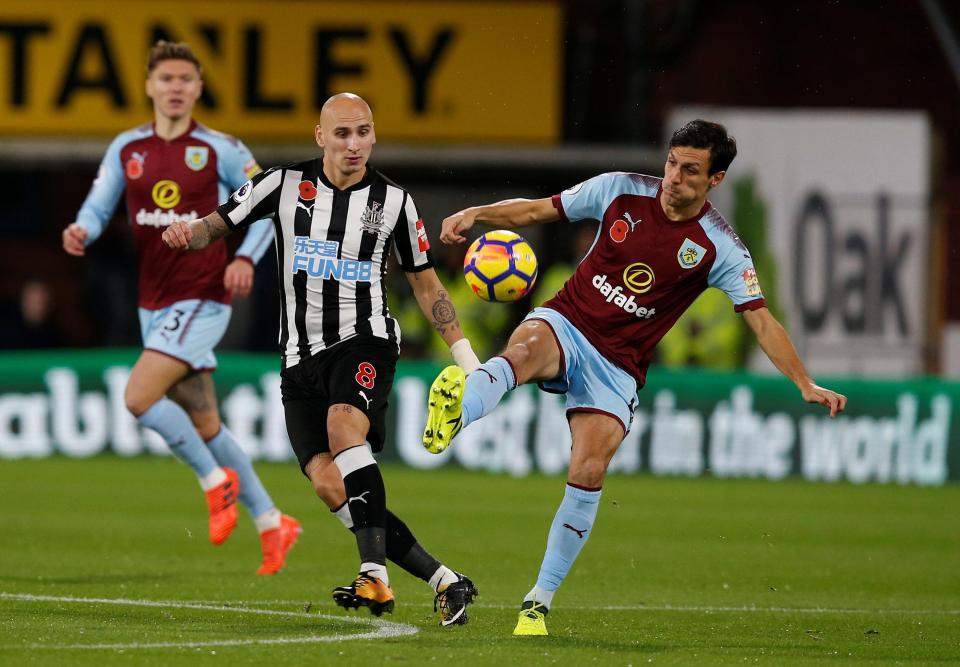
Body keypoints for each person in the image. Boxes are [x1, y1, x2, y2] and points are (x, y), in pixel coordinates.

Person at [422, 119, 848, 636]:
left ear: (715, 180)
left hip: (618, 365)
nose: (674, 177)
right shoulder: (619, 189)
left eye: (690, 170)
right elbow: (538, 209)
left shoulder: (720, 248)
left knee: (589, 469)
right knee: (525, 351)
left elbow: (762, 319)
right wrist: (476, 213)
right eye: (672, 163)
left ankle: (537, 602)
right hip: (568, 321)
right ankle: (457, 410)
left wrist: (804, 382)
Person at [161, 92, 482, 625]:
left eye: (362, 132)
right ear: (320, 137)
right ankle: (446, 581)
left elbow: (426, 284)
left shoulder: (395, 203)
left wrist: (469, 361)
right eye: (341, 133)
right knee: (331, 484)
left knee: (343, 427)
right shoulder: (283, 184)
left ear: (374, 136)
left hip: (366, 339)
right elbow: (215, 225)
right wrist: (183, 232)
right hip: (297, 358)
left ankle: (374, 576)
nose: (353, 144)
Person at [62, 41, 300, 575]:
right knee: (207, 422)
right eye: (165, 78)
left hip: (204, 293)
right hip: (155, 299)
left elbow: (265, 210)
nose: (174, 88)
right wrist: (83, 228)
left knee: (138, 396)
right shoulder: (127, 147)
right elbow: (100, 205)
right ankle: (271, 520)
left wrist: (244, 259)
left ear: (197, 88)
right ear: (149, 85)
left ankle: (215, 484)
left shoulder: (221, 149)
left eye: (184, 79)